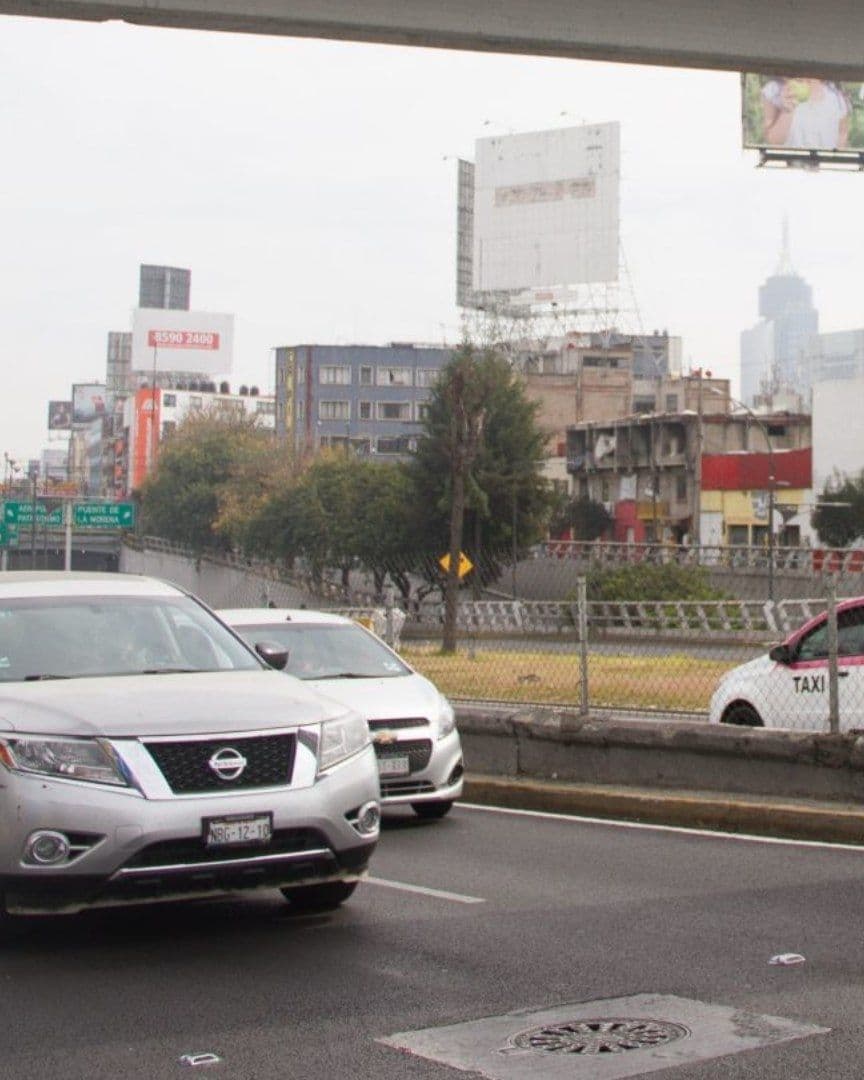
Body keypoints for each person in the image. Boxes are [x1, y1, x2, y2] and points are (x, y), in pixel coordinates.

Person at [761, 78, 850, 150]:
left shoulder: (835, 94)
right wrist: (787, 110)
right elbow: (774, 140)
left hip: (826, 168)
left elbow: (843, 132)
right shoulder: (774, 90)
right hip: (789, 167)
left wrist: (834, 161)